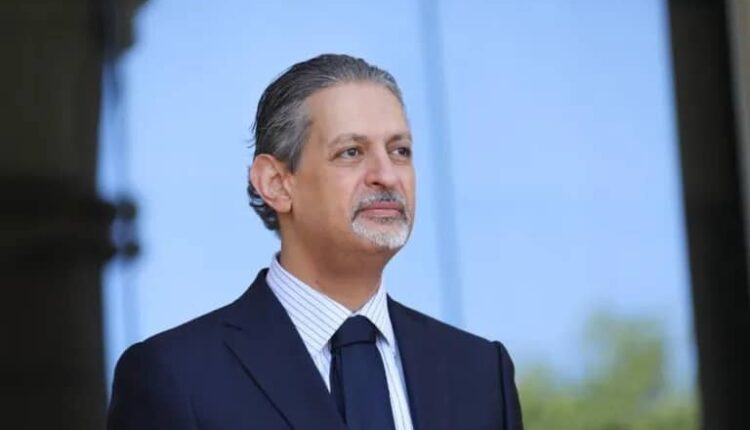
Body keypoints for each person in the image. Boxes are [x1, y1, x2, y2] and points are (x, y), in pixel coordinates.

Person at [107, 54, 524, 430]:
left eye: (400, 151)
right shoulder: (176, 376)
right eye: (351, 152)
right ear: (276, 183)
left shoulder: (480, 373)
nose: (386, 175)